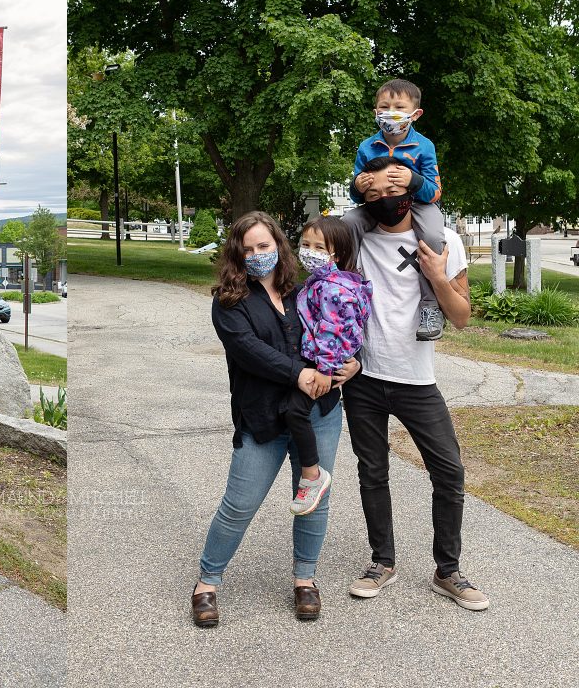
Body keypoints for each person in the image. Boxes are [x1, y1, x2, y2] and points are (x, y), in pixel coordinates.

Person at [192, 211, 360, 627]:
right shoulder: (229, 302)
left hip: (319, 411)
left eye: (263, 246)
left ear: (279, 247)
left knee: (312, 501)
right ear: (236, 253)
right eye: (247, 249)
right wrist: (299, 373)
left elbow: (342, 328)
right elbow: (249, 351)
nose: (256, 255)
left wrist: (353, 363)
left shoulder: (306, 290)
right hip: (263, 416)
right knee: (240, 503)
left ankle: (305, 579)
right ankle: (207, 583)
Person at [342, 158, 489, 611]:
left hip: (416, 380)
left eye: (394, 190)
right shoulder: (356, 241)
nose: (386, 200)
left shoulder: (442, 241)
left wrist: (438, 277)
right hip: (363, 378)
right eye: (374, 193)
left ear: (411, 190)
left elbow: (462, 318)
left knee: (449, 472)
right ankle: (381, 561)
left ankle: (448, 571)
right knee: (373, 471)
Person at [343, 79, 446, 341]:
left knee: (433, 236)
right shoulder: (367, 147)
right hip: (376, 204)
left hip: (418, 205)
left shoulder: (424, 146)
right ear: (375, 111)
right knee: (346, 224)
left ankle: (430, 305)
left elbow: (434, 191)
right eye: (384, 106)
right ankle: (346, 288)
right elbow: (356, 194)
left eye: (399, 107)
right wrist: (359, 184)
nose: (390, 112)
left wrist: (413, 181)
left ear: (415, 114)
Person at [285, 216, 373, 516]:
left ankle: (312, 475)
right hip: (324, 362)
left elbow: (333, 330)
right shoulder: (323, 283)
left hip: (324, 364)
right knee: (294, 411)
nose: (309, 251)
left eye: (319, 247)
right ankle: (310, 474)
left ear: (336, 253)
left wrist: (324, 368)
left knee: (294, 411)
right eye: (305, 244)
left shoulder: (332, 288)